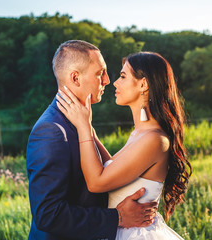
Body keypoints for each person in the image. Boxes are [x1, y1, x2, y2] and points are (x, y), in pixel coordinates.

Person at [26, 40, 158, 240]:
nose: (106, 80)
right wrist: (117, 218)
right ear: (75, 78)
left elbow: (107, 172)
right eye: (99, 73)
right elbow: (48, 215)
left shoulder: (81, 124)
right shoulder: (52, 131)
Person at [57, 51, 192, 239]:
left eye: (122, 76)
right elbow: (112, 166)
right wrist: (89, 127)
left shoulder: (154, 140)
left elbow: (97, 183)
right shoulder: (140, 133)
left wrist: (82, 128)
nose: (114, 83)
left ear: (143, 84)